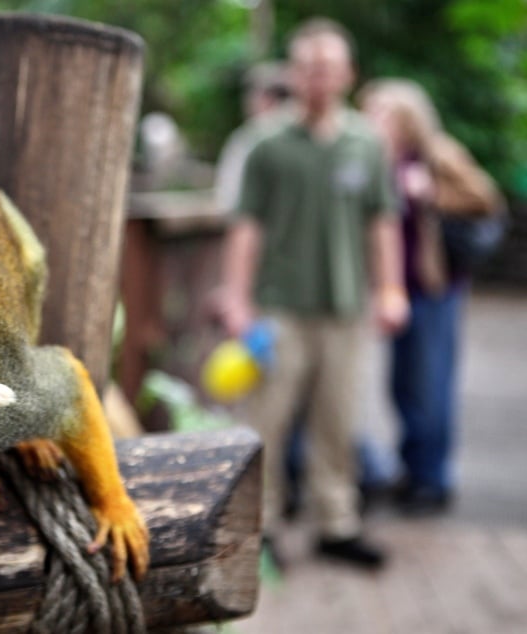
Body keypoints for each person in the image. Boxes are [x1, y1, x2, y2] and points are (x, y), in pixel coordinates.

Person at [214, 17, 408, 569]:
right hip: (278, 308)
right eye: (307, 66)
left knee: (338, 420)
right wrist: (237, 299)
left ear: (347, 74)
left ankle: (336, 524)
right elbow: (245, 227)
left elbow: (383, 223)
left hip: (346, 307)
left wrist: (391, 287)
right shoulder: (266, 143)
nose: (318, 77)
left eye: (328, 66)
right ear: (293, 74)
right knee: (266, 421)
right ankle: (261, 526)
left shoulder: (367, 143)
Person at [358, 79, 504, 514]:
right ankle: (411, 467)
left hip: (434, 289)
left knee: (429, 385)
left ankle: (433, 479)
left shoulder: (437, 153)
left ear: (407, 118)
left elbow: (485, 198)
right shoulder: (372, 159)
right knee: (402, 384)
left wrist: (432, 194)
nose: (373, 119)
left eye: (383, 112)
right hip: (394, 290)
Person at [214, 61, 293, 215]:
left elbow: (228, 198)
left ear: (268, 99)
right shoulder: (245, 137)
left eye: (253, 94)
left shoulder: (250, 138)